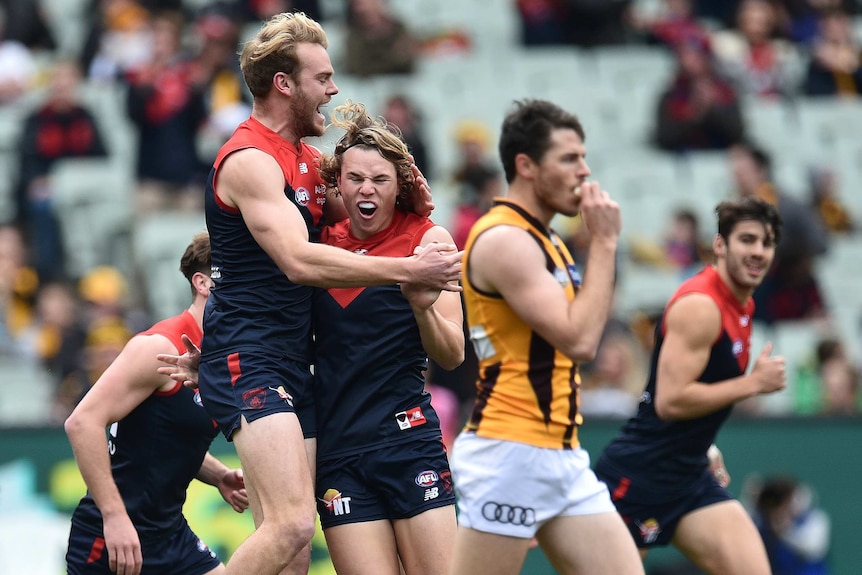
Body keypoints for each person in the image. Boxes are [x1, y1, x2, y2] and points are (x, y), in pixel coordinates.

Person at [196, 12, 460, 575]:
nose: (334, 90)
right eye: (323, 77)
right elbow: (297, 261)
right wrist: (410, 272)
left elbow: (380, 221)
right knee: (292, 525)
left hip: (292, 361)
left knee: (288, 549)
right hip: (252, 356)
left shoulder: (312, 163)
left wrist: (406, 195)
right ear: (284, 85)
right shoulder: (250, 161)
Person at [447, 99, 644, 575]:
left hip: (560, 451)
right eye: (569, 158)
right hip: (510, 450)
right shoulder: (503, 240)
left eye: (583, 156)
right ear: (526, 166)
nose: (585, 170)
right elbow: (580, 341)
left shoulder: (547, 238)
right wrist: (604, 243)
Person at [594, 197, 787, 575]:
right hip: (639, 476)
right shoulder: (701, 305)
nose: (758, 252)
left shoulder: (742, 304)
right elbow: (670, 400)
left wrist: (705, 444)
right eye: (747, 240)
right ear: (720, 245)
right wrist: (752, 384)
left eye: (766, 242)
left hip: (689, 475)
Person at [312, 100, 462, 574]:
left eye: (379, 179)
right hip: (337, 450)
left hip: (407, 441)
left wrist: (422, 309)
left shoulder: (428, 240)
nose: (367, 189)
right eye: (356, 179)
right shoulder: (316, 245)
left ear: (400, 184)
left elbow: (453, 354)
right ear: (339, 184)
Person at [64, 232, 249, 575]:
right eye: (241, 274)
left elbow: (164, 435)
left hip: (169, 535)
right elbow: (82, 423)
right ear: (204, 282)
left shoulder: (217, 355)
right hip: (115, 539)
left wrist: (219, 475)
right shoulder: (158, 347)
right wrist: (115, 518)